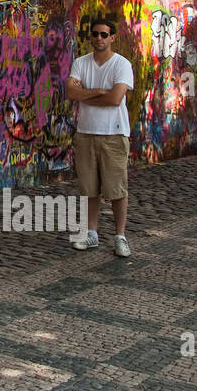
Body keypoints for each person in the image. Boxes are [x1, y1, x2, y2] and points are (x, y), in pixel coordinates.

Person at [64, 17, 135, 257]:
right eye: (95, 34)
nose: (99, 39)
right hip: (86, 132)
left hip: (113, 134)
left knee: (117, 189)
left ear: (113, 37)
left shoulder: (121, 64)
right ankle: (91, 233)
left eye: (104, 35)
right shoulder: (81, 63)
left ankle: (120, 236)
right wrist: (97, 91)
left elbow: (115, 99)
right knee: (89, 188)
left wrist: (85, 94)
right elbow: (70, 92)